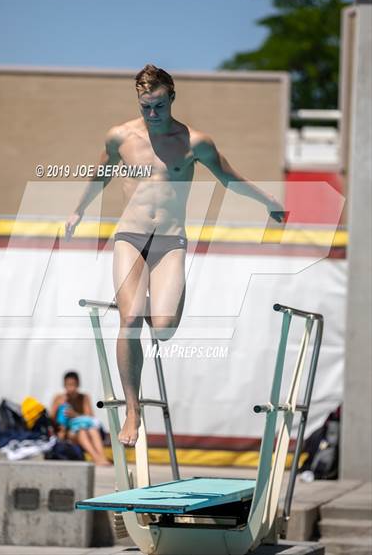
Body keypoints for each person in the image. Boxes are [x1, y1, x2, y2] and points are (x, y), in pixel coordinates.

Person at [66, 64, 285, 447]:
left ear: (172, 98)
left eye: (159, 106)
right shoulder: (120, 136)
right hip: (130, 236)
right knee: (131, 319)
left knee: (164, 327)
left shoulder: (195, 141)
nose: (152, 114)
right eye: (145, 106)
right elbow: (100, 174)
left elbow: (229, 178)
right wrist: (78, 209)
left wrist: (268, 200)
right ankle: (133, 411)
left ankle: (149, 300)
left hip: (170, 240)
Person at [50, 371, 111, 466]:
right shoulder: (59, 399)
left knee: (92, 429)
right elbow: (51, 419)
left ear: (78, 385)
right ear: (64, 385)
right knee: (82, 431)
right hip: (68, 432)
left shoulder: (84, 398)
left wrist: (75, 415)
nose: (71, 388)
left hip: (85, 430)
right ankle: (96, 458)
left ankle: (101, 457)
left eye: (73, 385)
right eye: (68, 385)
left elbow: (90, 418)